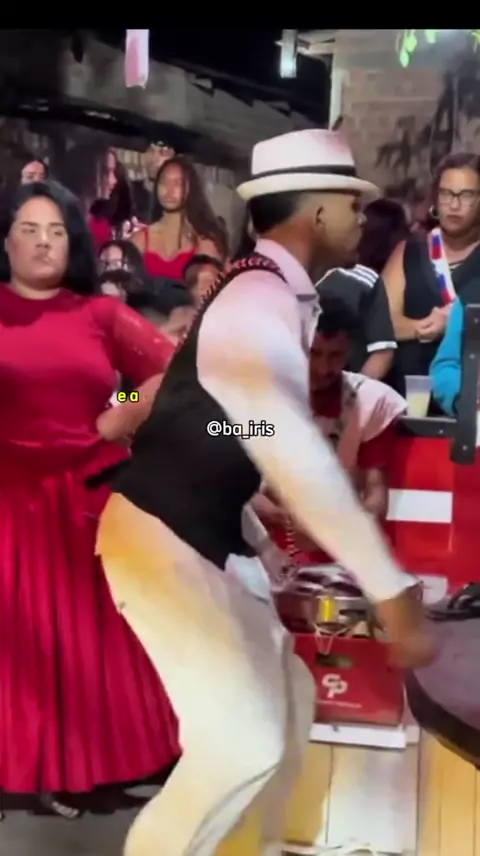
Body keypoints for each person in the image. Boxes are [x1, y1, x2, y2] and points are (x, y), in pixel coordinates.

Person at [96, 129, 435, 856]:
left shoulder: (261, 297)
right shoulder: (251, 300)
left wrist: (253, 487)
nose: (361, 218)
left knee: (288, 707)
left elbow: (217, 417)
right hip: (159, 532)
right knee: (241, 745)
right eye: (352, 204)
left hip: (193, 527)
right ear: (318, 211)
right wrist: (388, 587)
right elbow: (149, 399)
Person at [0, 180, 179, 818]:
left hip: (88, 493)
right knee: (19, 644)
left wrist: (120, 409)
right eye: (29, 230)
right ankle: (28, 766)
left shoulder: (99, 315)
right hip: (10, 496)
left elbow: (171, 369)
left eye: (56, 231)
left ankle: (86, 767)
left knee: (92, 643)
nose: (43, 243)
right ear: (6, 241)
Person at [254, 296, 406, 563]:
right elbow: (227, 485)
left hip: (337, 559)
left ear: (349, 353)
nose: (323, 368)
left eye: (335, 356)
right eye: (313, 353)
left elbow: (375, 494)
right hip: (256, 552)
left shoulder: (369, 403)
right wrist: (282, 518)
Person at [382, 152, 480, 392]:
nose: (454, 205)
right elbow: (381, 323)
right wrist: (424, 328)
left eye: (466, 195)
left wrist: (455, 324)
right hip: (407, 394)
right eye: (446, 193)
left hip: (467, 399)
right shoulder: (409, 252)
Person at [131, 155, 227, 279]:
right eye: (164, 182)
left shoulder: (205, 241)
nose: (169, 190)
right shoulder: (139, 240)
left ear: (190, 188)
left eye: (178, 183)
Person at [316, 264, 397, 380]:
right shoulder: (289, 275)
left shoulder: (364, 280)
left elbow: (381, 352)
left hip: (347, 383)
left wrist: (354, 388)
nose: (323, 370)